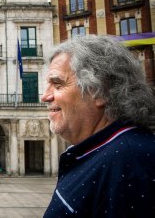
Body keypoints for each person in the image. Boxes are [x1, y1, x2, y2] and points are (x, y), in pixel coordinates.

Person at [42, 35, 155, 217]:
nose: (44, 96)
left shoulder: (130, 167)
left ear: (99, 90)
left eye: (57, 84)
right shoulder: (99, 153)